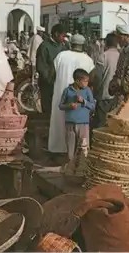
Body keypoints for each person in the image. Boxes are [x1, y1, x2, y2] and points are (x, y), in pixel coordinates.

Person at [48, 34, 95, 162]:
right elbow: (91, 79)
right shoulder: (88, 59)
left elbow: (52, 74)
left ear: (71, 44)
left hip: (62, 94)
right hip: (81, 105)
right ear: (83, 45)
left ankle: (60, 152)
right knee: (81, 136)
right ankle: (79, 159)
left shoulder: (61, 56)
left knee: (60, 123)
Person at [59, 68, 96, 162]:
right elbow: (60, 106)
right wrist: (69, 106)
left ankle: (83, 168)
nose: (87, 83)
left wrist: (83, 101)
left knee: (84, 148)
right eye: (85, 81)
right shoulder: (67, 91)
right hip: (70, 124)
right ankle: (71, 167)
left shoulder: (87, 91)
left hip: (83, 124)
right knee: (70, 150)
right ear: (77, 81)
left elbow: (92, 106)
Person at [36, 24, 69, 114]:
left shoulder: (64, 46)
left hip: (60, 83)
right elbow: (41, 66)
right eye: (63, 36)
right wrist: (50, 80)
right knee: (48, 110)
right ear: (56, 34)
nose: (64, 38)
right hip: (48, 85)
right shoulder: (44, 46)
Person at [92, 33, 120, 129]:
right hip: (117, 96)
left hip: (104, 95)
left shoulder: (103, 56)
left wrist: (95, 92)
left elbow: (98, 77)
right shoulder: (122, 56)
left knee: (100, 124)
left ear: (106, 43)